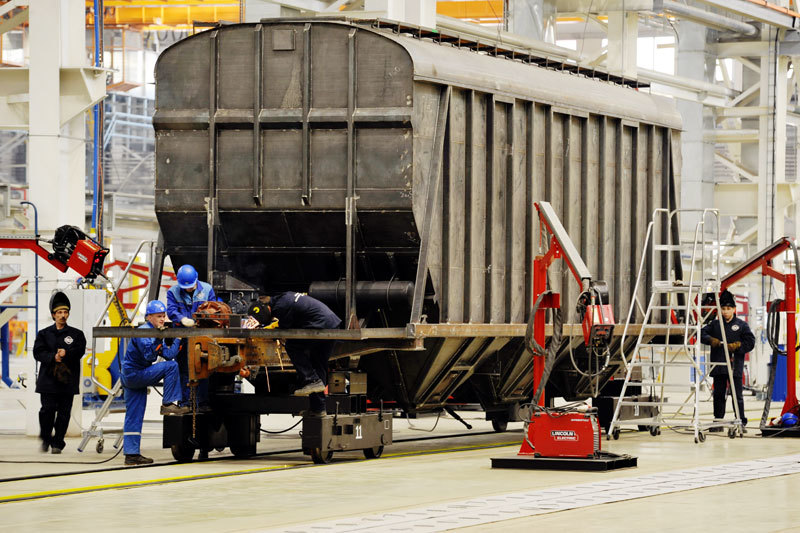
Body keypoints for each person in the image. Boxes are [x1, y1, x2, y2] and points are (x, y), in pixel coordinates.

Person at [249, 292, 341, 416]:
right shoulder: (283, 298)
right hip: (332, 324)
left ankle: (311, 379)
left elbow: (284, 331)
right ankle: (318, 408)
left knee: (292, 346)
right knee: (317, 364)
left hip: (321, 325)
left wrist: (270, 331)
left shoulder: (280, 307)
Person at [122, 300, 188, 465]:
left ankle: (131, 455)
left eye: (163, 316)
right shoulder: (144, 332)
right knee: (172, 367)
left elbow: (169, 354)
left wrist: (178, 338)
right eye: (158, 316)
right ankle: (168, 403)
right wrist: (159, 338)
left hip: (135, 377)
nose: (162, 319)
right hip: (134, 374)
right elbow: (149, 356)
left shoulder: (157, 331)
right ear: (149, 317)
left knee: (134, 416)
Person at [33, 291, 87, 453]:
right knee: (46, 411)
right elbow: (37, 352)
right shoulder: (44, 334)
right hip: (48, 382)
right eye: (59, 313)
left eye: (65, 312)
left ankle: (58, 443)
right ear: (53, 315)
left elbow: (80, 351)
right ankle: (46, 437)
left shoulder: (76, 335)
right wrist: (53, 357)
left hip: (67, 381)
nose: (63, 315)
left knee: (64, 414)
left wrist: (66, 354)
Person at [700, 290, 755, 432]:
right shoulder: (715, 325)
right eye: (723, 309)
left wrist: (738, 346)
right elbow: (701, 333)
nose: (725, 312)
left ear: (734, 309)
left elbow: (750, 342)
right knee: (718, 395)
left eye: (728, 309)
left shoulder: (742, 325)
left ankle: (740, 422)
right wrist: (710, 340)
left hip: (734, 366)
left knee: (737, 396)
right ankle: (718, 421)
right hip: (719, 366)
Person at [166, 264, 217, 409]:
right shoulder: (173, 292)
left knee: (203, 367)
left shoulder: (207, 289)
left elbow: (214, 309)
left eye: (191, 286)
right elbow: (171, 310)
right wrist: (182, 319)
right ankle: (185, 402)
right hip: (182, 336)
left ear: (196, 280)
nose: (188, 289)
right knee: (183, 368)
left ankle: (202, 402)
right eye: (185, 287)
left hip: (202, 336)